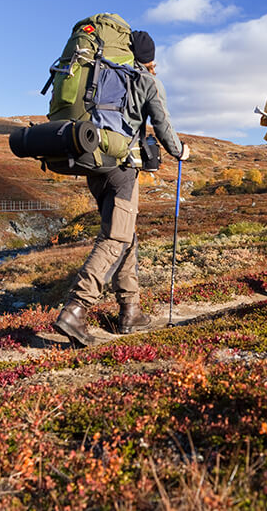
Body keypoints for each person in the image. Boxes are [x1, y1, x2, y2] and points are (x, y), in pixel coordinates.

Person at [52, 30, 190, 346]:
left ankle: (130, 310)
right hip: (122, 167)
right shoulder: (146, 80)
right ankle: (75, 309)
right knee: (115, 237)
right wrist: (180, 150)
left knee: (126, 234)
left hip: (94, 161)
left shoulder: (104, 74)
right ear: (150, 58)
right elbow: (163, 125)